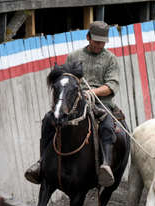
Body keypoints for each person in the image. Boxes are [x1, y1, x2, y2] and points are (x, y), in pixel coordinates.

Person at [25, 20, 120, 187]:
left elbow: (112, 85)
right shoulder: (74, 57)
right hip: (75, 102)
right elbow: (66, 80)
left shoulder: (111, 59)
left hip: (100, 102)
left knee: (106, 124)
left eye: (102, 42)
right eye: (96, 41)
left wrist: (91, 93)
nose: (99, 45)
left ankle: (105, 164)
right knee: (49, 119)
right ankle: (41, 162)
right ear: (88, 37)